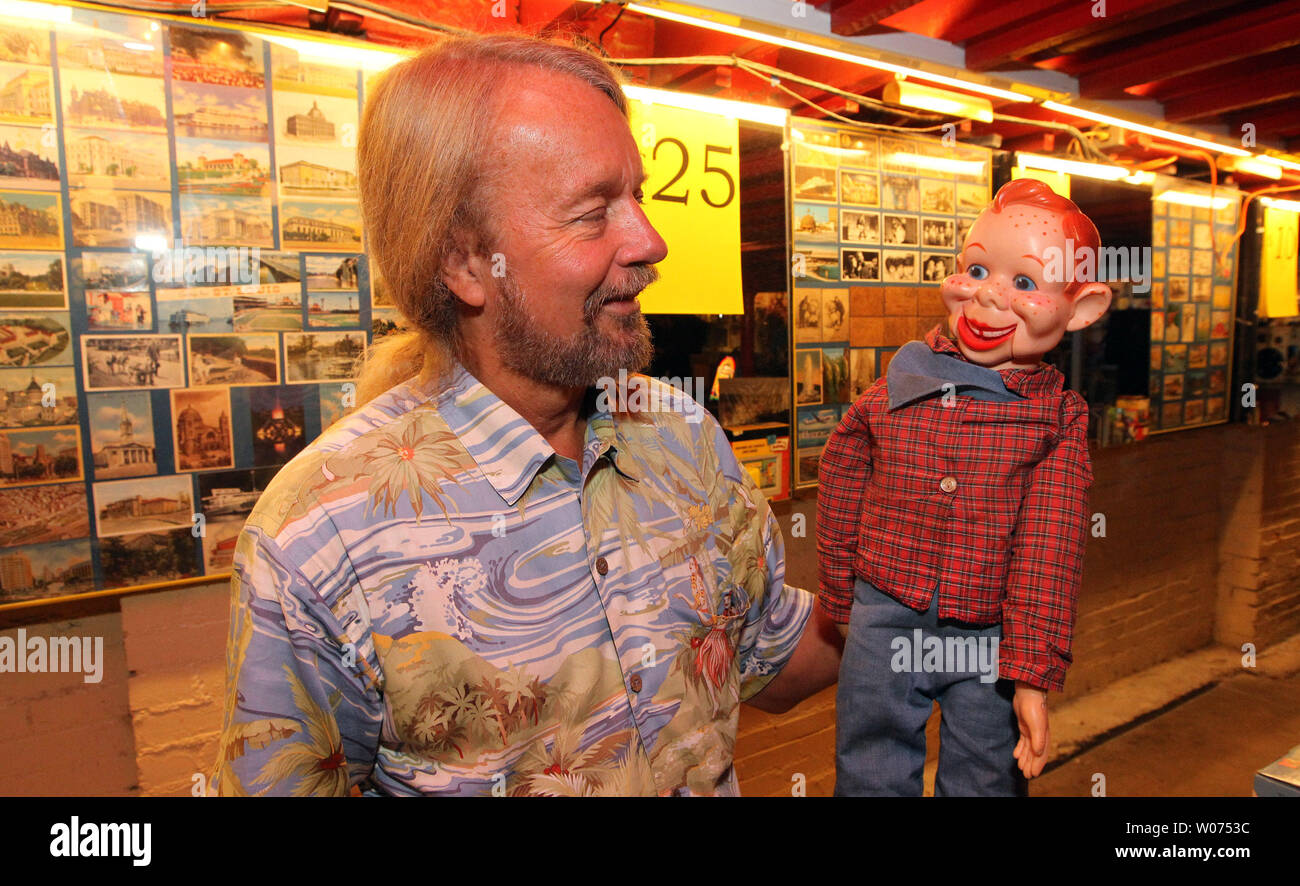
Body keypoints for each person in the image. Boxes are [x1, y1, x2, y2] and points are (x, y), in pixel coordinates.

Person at [211, 33, 841, 797]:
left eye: (637, 196)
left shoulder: (684, 438)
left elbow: (769, 657)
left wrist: (926, 593)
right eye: (592, 212)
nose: (650, 240)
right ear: (465, 264)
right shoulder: (319, 536)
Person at [818, 179, 1111, 796]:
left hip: (990, 639)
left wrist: (1031, 674)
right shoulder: (900, 383)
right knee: (869, 771)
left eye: (1025, 283)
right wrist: (840, 596)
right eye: (976, 268)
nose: (988, 295)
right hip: (884, 613)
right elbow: (843, 473)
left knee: (984, 780)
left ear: (1080, 309)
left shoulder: (1058, 419)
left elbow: (1048, 551)